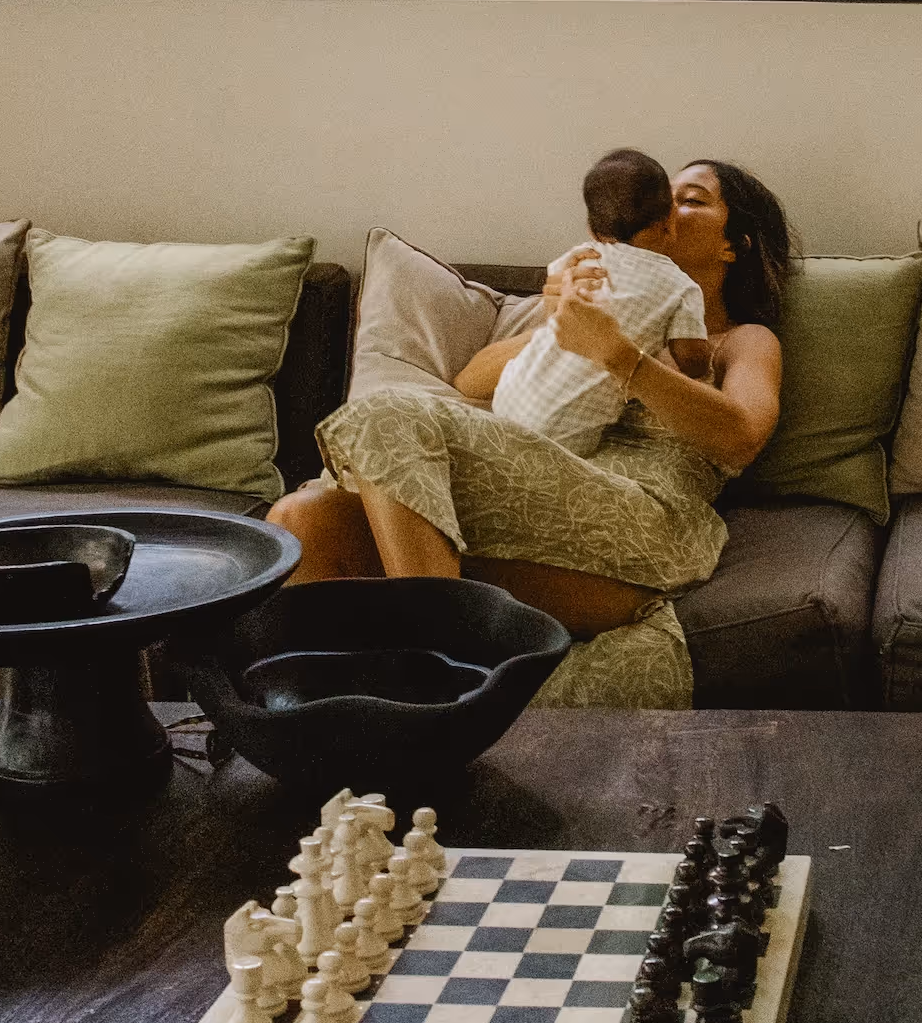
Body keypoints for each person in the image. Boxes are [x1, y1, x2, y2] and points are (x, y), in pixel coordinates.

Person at [268, 160, 791, 709]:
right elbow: (472, 381)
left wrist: (620, 356)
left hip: (636, 527)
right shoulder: (592, 303)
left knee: (387, 415)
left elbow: (742, 436)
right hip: (529, 514)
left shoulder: (742, 340)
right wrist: (556, 321)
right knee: (304, 520)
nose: (669, 207)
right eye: (665, 195)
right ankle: (363, 728)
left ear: (734, 246)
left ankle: (441, 677)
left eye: (692, 199)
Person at [492, 145, 710, 457]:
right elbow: (693, 362)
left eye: (693, 199)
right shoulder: (681, 287)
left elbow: (555, 292)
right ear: (669, 221)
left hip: (508, 397)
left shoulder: (580, 258)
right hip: (566, 434)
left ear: (594, 230)